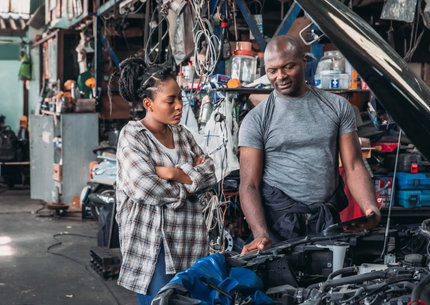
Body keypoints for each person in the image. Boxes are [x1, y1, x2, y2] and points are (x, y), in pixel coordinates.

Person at [238, 35, 381, 255]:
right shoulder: (257, 119)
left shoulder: (337, 107)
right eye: (272, 71)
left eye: (288, 67)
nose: (280, 76)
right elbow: (249, 184)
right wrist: (260, 234)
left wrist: (371, 209)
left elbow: (353, 166)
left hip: (325, 221)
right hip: (279, 225)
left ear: (304, 62)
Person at [114, 58, 217, 304]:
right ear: (148, 104)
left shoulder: (183, 134)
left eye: (180, 98)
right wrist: (189, 182)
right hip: (153, 246)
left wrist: (171, 173)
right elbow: (144, 188)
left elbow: (211, 171)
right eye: (170, 101)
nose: (179, 106)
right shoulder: (133, 136)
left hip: (189, 241)